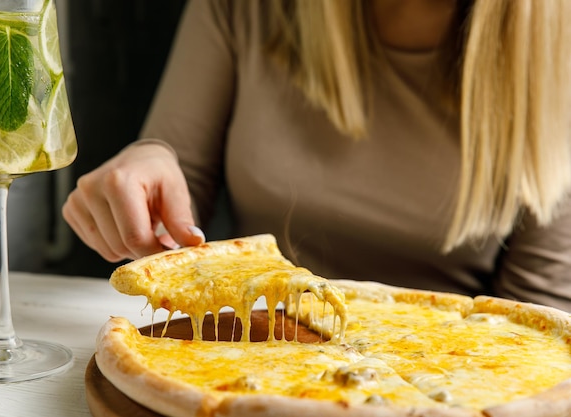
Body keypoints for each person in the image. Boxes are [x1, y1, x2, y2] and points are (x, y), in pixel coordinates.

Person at [62, 0, 571, 311]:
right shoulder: (246, 7)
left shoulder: (558, 46)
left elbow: (542, 319)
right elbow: (178, 199)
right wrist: (147, 166)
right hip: (251, 352)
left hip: (454, 379)